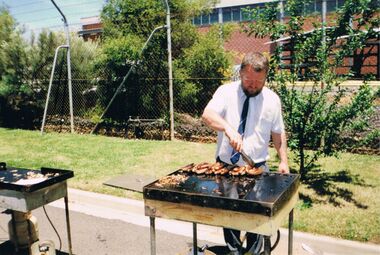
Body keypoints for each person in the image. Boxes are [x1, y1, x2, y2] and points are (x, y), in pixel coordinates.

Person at [202, 52, 289, 255]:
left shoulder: (272, 100)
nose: (253, 85)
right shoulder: (226, 92)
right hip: (226, 167)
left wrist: (283, 160)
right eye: (249, 80)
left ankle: (254, 252)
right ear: (240, 73)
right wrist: (228, 128)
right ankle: (233, 251)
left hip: (257, 167)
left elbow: (278, 132)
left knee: (256, 220)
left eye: (259, 82)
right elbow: (208, 115)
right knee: (230, 217)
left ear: (266, 77)